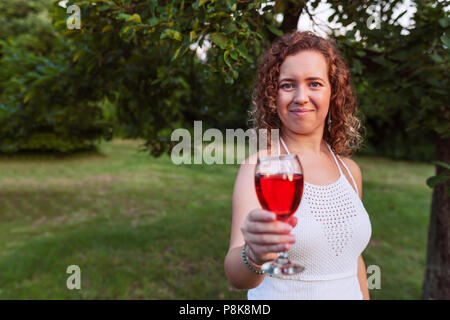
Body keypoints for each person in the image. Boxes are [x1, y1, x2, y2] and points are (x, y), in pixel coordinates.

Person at [224, 31, 372, 300]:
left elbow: (354, 259)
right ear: (273, 95)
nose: (301, 96)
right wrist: (253, 255)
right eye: (288, 85)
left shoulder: (350, 171)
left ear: (333, 91)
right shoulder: (260, 167)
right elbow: (236, 274)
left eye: (314, 83)